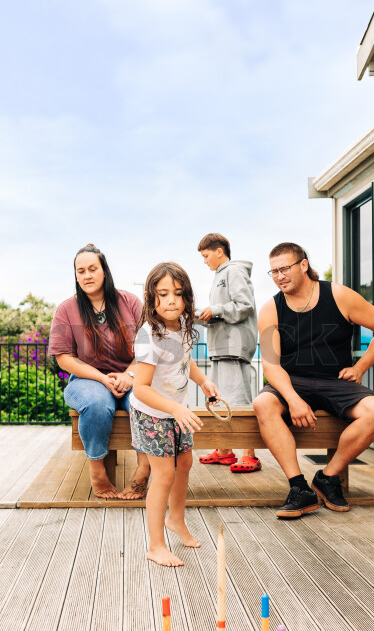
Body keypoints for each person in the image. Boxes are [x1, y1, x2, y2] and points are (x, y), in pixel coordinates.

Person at [253, 241, 374, 518]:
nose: (279, 276)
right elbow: (271, 365)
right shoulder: (271, 309)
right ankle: (299, 488)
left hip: (337, 381)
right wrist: (293, 400)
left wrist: (361, 366)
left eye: (284, 269)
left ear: (303, 265)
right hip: (291, 380)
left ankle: (328, 478)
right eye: (273, 272)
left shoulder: (339, 295)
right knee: (263, 404)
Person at [130, 262, 219, 567]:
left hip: (175, 411)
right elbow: (140, 388)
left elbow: (185, 362)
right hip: (153, 413)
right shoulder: (149, 336)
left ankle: (176, 520)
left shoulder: (182, 326)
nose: (171, 300)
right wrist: (175, 408)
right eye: (163, 294)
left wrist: (204, 382)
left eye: (178, 294)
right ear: (150, 297)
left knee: (185, 462)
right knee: (164, 474)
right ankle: (155, 545)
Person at [49, 244, 150, 500]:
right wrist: (102, 378)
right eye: (80, 271)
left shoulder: (130, 302)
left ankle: (144, 469)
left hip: (131, 375)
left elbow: (149, 349)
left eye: (92, 269)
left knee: (144, 400)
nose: (87, 275)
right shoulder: (66, 309)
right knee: (96, 403)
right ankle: (97, 471)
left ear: (104, 270)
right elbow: (64, 359)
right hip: (86, 379)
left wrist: (129, 375)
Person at [197, 232, 259, 471]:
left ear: (219, 251)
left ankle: (250, 453)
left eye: (206, 255)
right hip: (221, 348)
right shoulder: (219, 276)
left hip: (234, 348)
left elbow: (245, 306)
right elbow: (223, 312)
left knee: (240, 402)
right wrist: (205, 314)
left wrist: (216, 309)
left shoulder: (234, 271)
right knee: (220, 399)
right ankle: (225, 451)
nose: (204, 261)